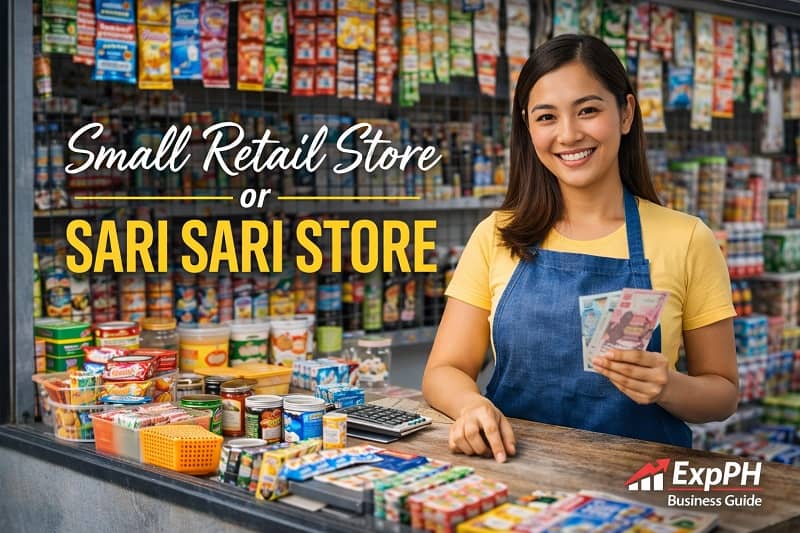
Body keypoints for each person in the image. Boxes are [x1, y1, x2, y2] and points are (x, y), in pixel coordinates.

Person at [421, 34, 738, 463]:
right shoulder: (497, 234)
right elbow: (445, 371)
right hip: (516, 477)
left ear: (625, 113)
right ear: (527, 127)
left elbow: (722, 394)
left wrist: (670, 387)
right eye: (547, 116)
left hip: (640, 489)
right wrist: (471, 405)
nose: (568, 134)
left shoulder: (686, 238)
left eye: (587, 110)